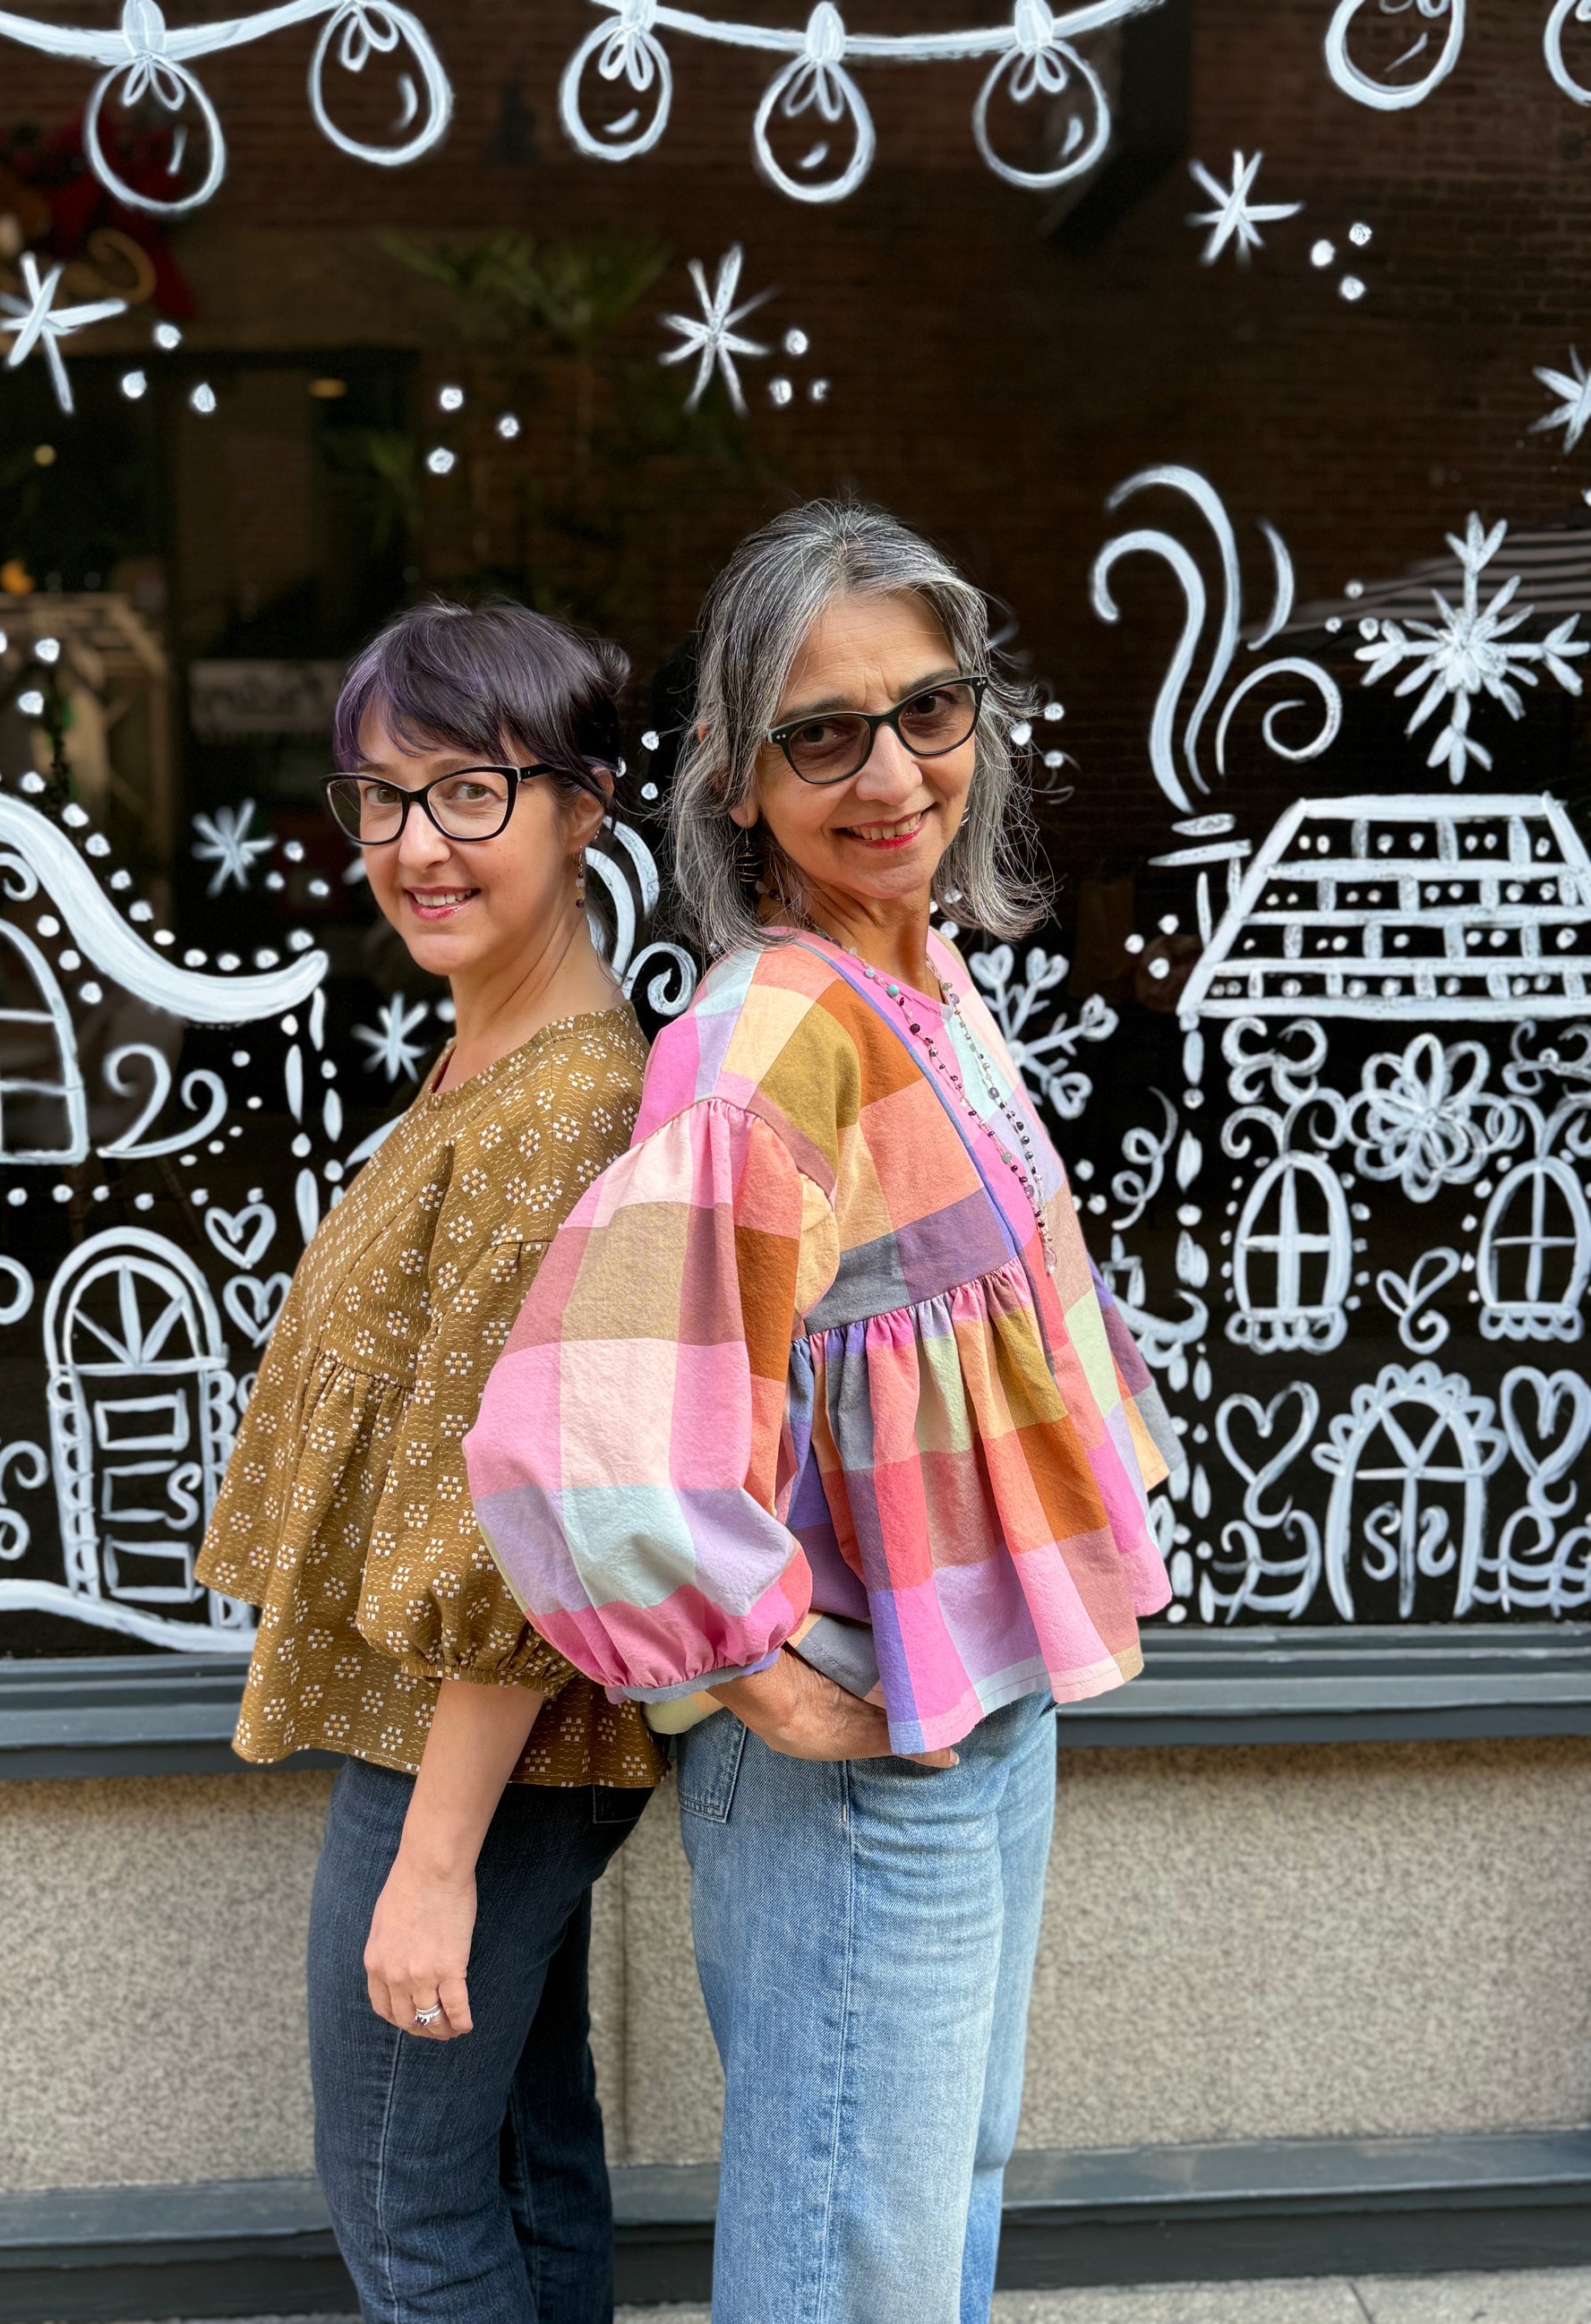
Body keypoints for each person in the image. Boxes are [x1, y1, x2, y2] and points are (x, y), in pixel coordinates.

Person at [466, 502, 1178, 2324]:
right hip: (871, 1752)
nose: (889, 771)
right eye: (822, 733)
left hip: (977, 1706)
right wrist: (758, 1675)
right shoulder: (768, 1029)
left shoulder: (922, 974)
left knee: (929, 2199)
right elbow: (582, 1426)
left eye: (924, 711)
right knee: (854, 2246)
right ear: (735, 779)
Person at [195, 599, 662, 2324]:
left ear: (583, 803)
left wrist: (437, 1859)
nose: (414, 845)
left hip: (471, 1740)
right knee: (518, 2173)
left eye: (469, 793)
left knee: (409, 2214)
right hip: (487, 1738)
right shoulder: (490, 1051)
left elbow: (517, 1513)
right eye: (378, 799)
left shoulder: (559, 1104)